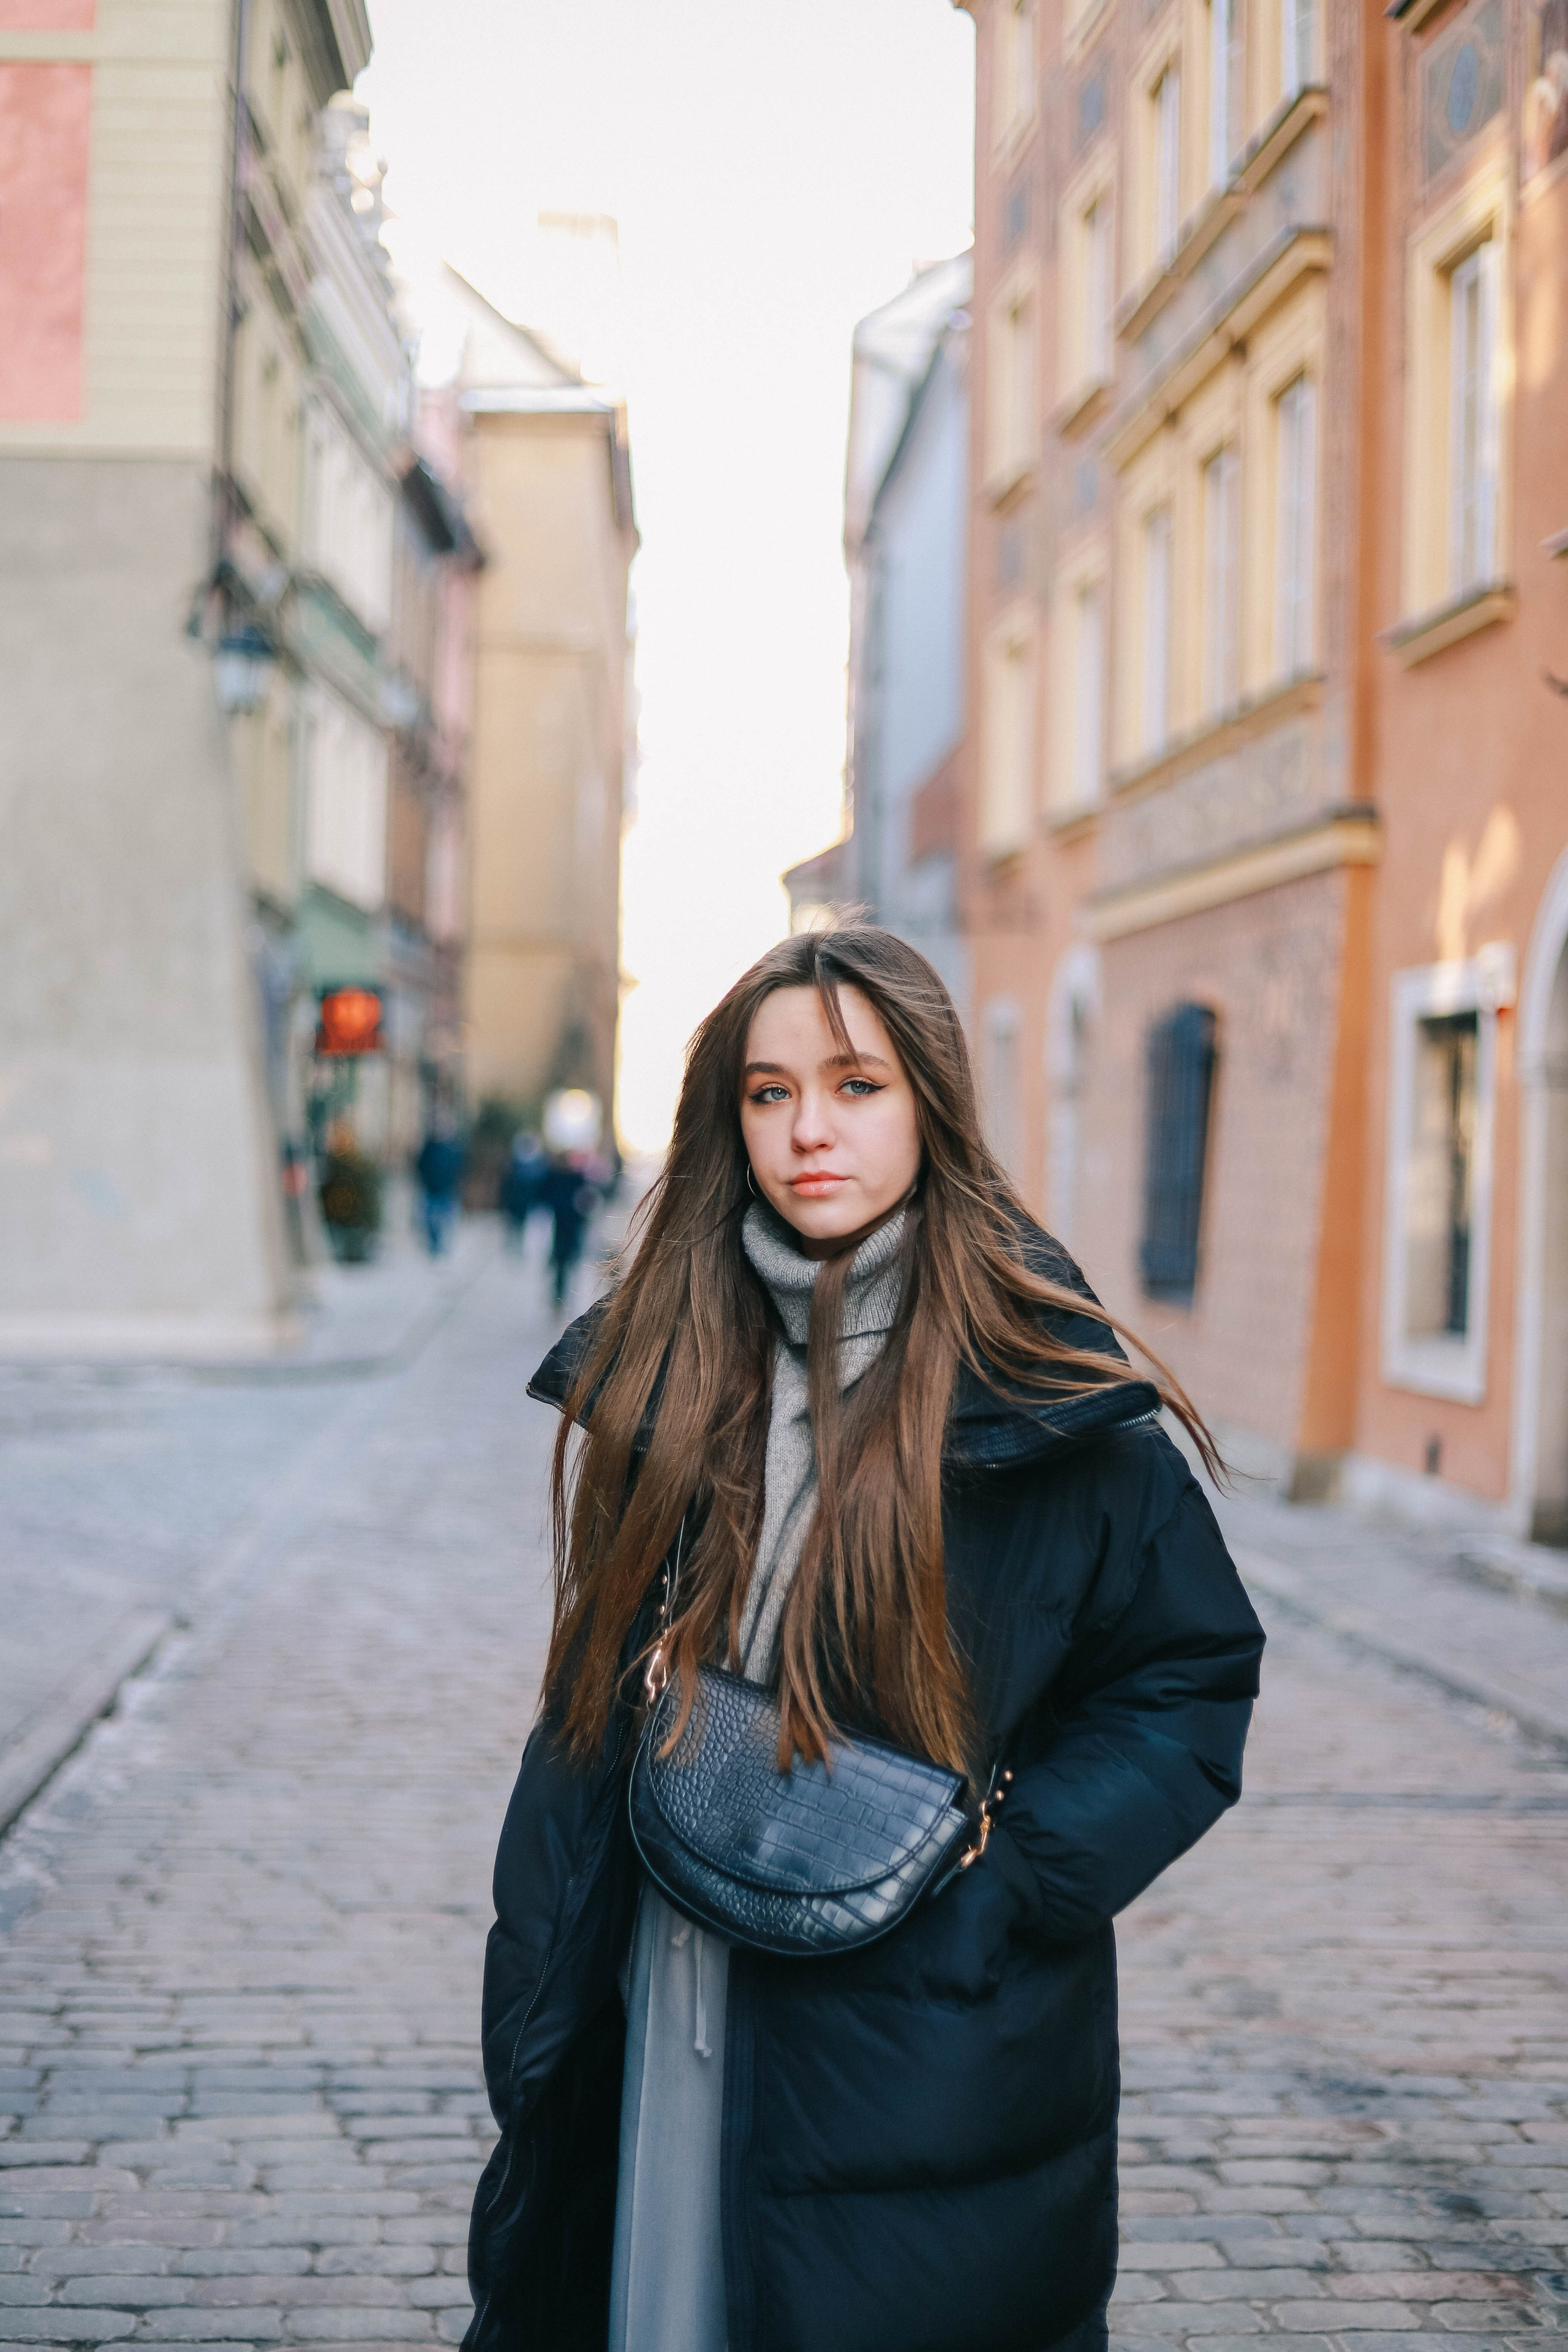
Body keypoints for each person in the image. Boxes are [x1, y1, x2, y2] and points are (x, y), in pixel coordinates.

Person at [464, 925, 1265, 2352]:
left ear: (930, 1106)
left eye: (854, 1084)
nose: (805, 1129)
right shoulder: (671, 1355)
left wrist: (1010, 1880)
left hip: (914, 2021)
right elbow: (592, 1691)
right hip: (663, 1975)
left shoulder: (1046, 1392)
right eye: (767, 1094)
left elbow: (1182, 1676)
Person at [538, 1148, 599, 1309]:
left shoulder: (562, 1177)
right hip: (568, 1224)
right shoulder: (573, 1178)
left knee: (563, 1260)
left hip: (564, 1224)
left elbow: (544, 1196)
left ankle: (560, 1295)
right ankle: (560, 1294)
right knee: (565, 1260)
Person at [414, 1115, 465, 1257]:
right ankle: (434, 1247)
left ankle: (443, 1248)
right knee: (430, 1221)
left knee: (446, 1221)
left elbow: (460, 1167)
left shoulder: (454, 1148)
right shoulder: (429, 1147)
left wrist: (452, 1181)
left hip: (447, 1190)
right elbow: (420, 1165)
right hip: (431, 1189)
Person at [499, 1131, 545, 1254]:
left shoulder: (540, 1165)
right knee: (513, 1229)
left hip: (530, 1204)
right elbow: (506, 1186)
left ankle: (521, 1250)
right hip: (515, 1203)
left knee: (526, 1230)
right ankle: (512, 1249)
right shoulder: (514, 1164)